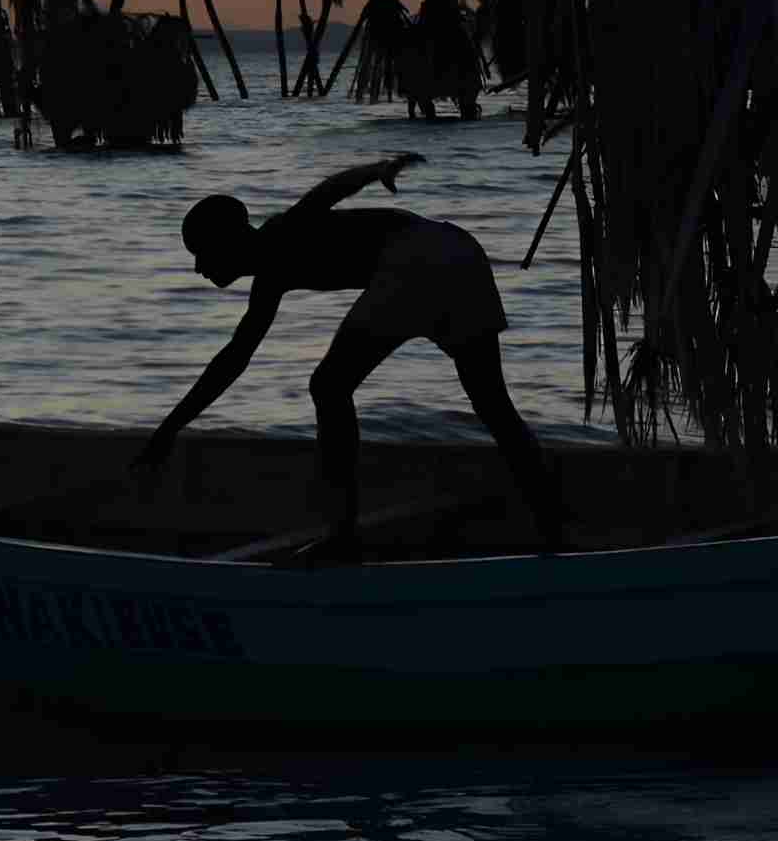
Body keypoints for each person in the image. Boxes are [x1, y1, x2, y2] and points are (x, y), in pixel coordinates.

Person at [131, 153, 564, 555]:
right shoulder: (269, 277)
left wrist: (377, 171)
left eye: (200, 253)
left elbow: (326, 193)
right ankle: (554, 531)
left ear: (228, 240)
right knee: (493, 406)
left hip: (417, 256)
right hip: (460, 250)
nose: (198, 268)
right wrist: (171, 427)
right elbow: (232, 361)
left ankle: (342, 537)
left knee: (328, 386)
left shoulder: (281, 234)